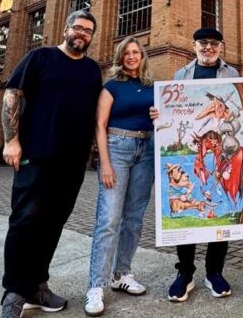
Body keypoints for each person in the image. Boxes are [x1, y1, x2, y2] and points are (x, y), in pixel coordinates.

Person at [0, 10, 103, 318]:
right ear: (66, 28)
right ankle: (14, 293)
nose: (82, 34)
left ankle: (37, 285)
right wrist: (11, 140)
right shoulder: (40, 57)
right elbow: (12, 95)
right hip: (37, 155)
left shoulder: (91, 70)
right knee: (25, 222)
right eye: (78, 28)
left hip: (72, 162)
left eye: (88, 31)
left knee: (52, 224)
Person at [164, 27, 239, 303]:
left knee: (218, 204)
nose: (208, 47)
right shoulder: (181, 74)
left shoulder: (231, 74)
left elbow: (234, 114)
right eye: (203, 43)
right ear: (193, 45)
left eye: (214, 43)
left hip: (220, 147)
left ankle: (214, 272)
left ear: (221, 47)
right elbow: (175, 112)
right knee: (190, 199)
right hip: (195, 148)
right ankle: (185, 272)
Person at [85, 37, 156, 317]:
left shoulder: (152, 86)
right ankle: (96, 286)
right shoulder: (111, 86)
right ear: (120, 57)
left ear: (142, 56)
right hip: (117, 148)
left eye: (136, 52)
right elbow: (100, 126)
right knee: (109, 219)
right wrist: (105, 163)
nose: (131, 56)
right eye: (126, 53)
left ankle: (121, 274)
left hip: (146, 150)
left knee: (134, 218)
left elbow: (161, 119)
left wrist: (157, 115)